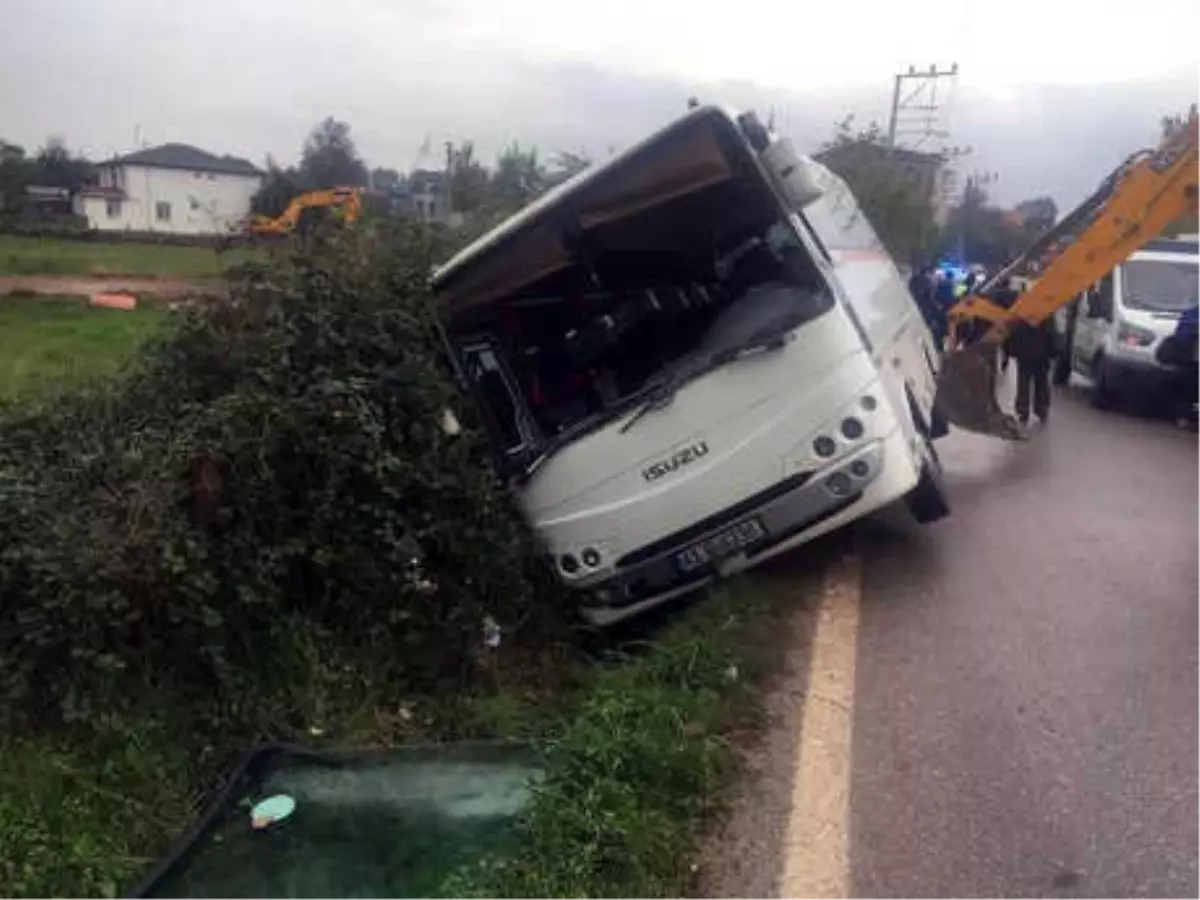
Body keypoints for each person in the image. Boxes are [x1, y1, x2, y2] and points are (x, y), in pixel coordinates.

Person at [1005, 313, 1058, 427]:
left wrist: (1011, 350)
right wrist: (1052, 352)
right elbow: (1051, 335)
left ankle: (1023, 411)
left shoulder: (1021, 313)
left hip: (1024, 353)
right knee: (1041, 382)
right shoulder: (1046, 313)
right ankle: (1041, 408)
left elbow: (1012, 334)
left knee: (1023, 382)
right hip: (1041, 354)